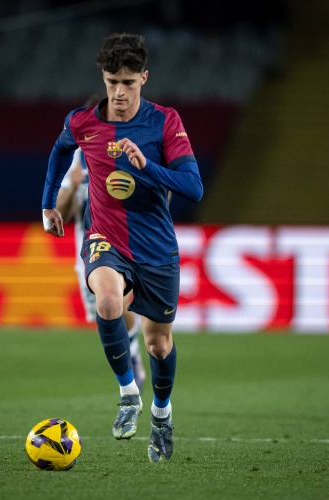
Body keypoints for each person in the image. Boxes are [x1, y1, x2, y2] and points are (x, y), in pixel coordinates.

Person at [41, 32, 203, 463]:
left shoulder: (164, 122)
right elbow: (60, 152)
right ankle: (128, 393)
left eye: (128, 83)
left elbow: (193, 187)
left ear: (144, 78)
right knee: (108, 300)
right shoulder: (82, 122)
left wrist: (146, 167)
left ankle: (162, 415)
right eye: (112, 82)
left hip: (155, 246)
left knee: (158, 345)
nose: (118, 92)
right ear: (103, 77)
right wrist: (47, 203)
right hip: (105, 238)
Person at [55, 91, 147, 392]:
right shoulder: (74, 158)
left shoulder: (131, 149)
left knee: (118, 299)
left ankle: (131, 365)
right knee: (106, 311)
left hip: (126, 242)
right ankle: (131, 351)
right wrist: (73, 187)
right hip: (89, 249)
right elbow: (61, 215)